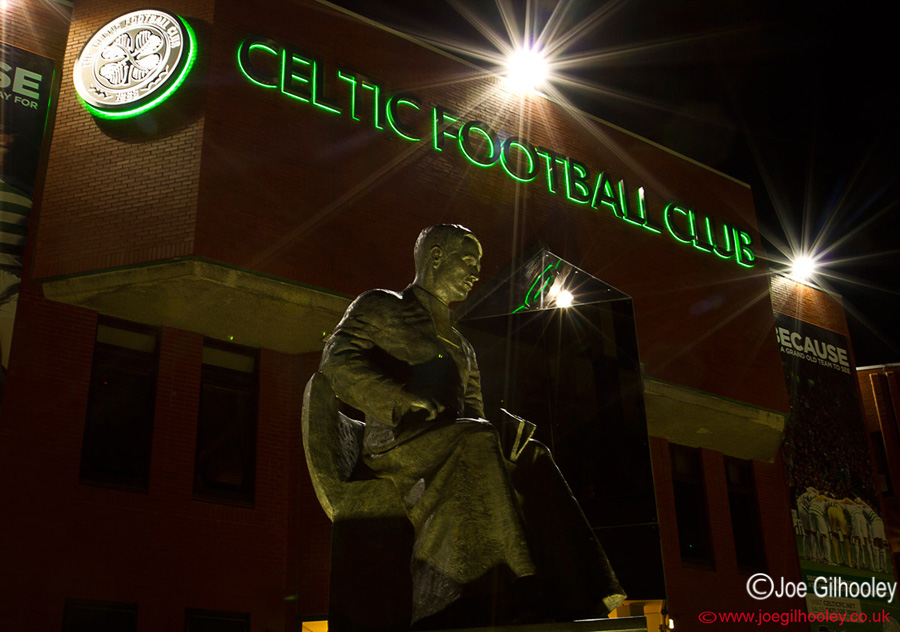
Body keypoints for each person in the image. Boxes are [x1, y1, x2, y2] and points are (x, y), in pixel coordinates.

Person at [318, 224, 625, 628]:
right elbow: (335, 363)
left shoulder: (462, 344)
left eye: (479, 264)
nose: (476, 272)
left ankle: (577, 595)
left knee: (532, 454)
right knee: (475, 439)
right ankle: (462, 594)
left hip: (454, 439)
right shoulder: (381, 306)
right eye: (468, 260)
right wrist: (398, 398)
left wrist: (507, 434)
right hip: (397, 444)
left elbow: (475, 411)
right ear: (436, 257)